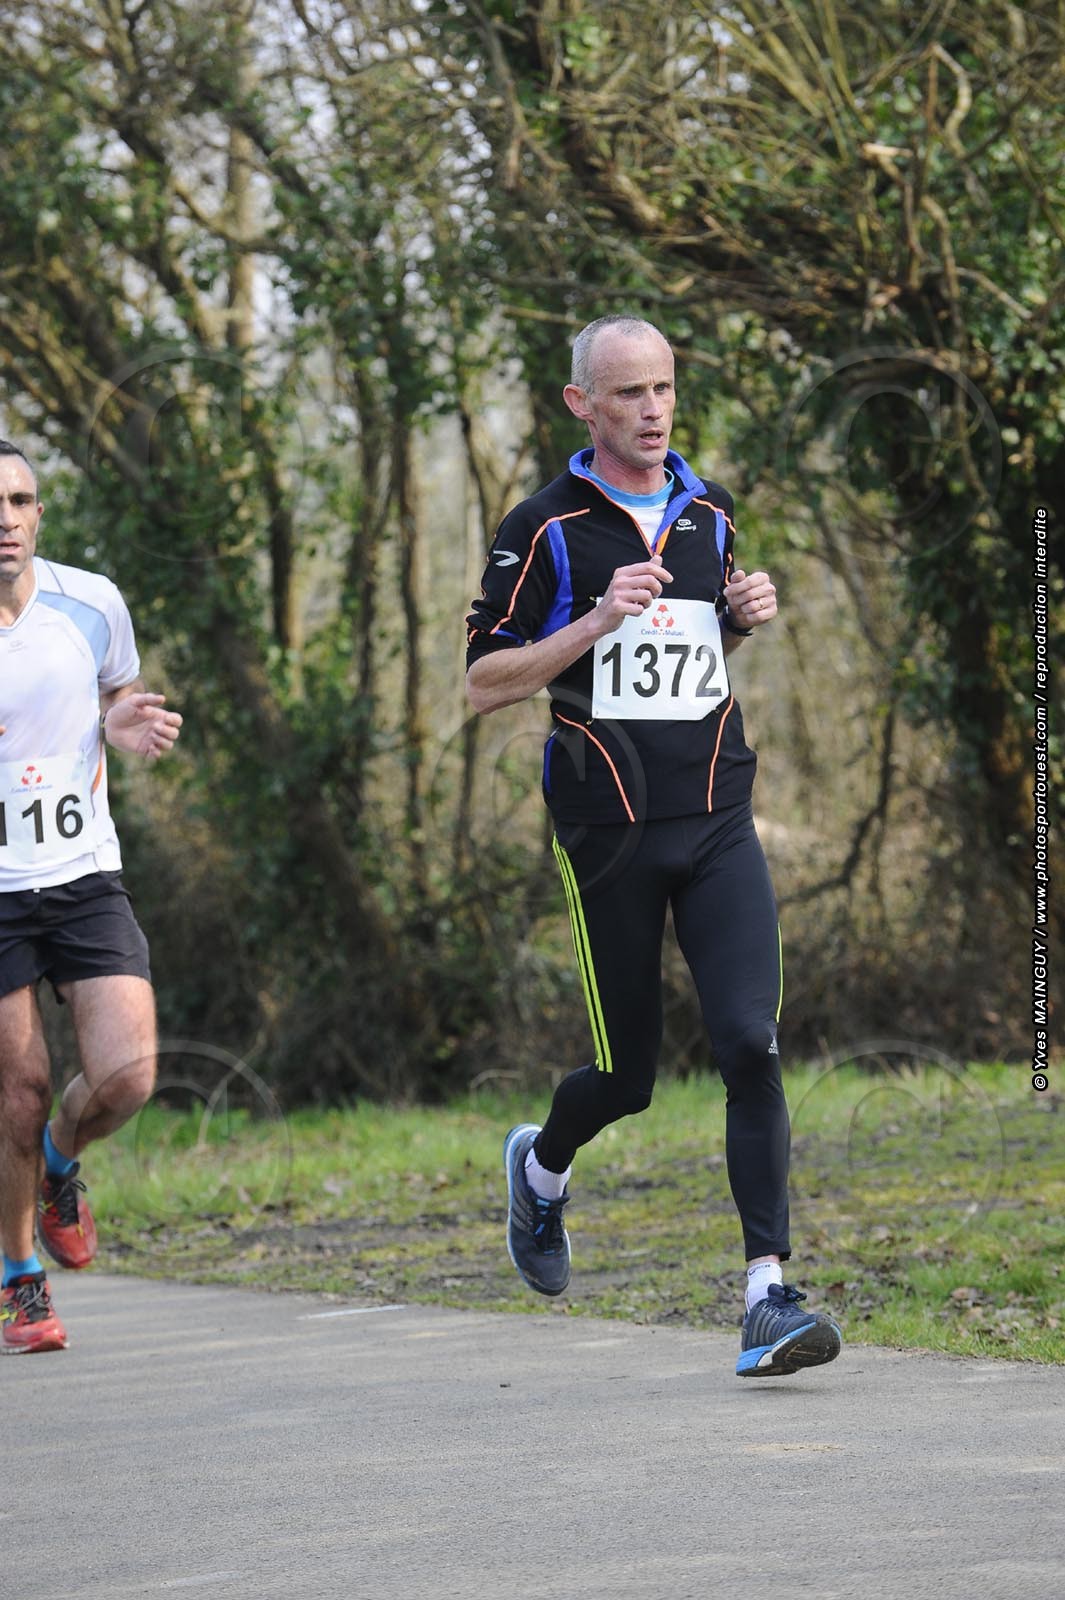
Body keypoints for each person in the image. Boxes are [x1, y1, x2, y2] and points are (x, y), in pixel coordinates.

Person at [465, 316, 841, 1377]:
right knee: (626, 1077)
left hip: (717, 813)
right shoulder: (542, 527)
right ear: (581, 403)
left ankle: (766, 1295)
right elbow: (483, 680)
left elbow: (695, 649)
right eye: (627, 392)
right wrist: (590, 623)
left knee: (750, 1042)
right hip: (607, 831)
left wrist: (741, 615)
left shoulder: (707, 508)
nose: (651, 410)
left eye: (664, 388)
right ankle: (540, 1169)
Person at [0, 440, 181, 1353]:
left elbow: (116, 697)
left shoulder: (92, 602)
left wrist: (124, 724)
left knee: (127, 1076)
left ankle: (58, 1164)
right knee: (20, 1090)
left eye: (19, 501)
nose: (5, 519)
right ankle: (19, 1280)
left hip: (81, 873)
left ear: (39, 514)